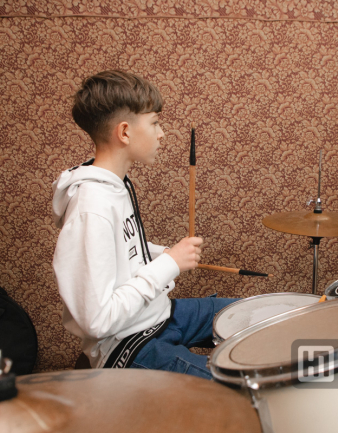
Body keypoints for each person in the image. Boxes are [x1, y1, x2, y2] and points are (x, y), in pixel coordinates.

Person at [52, 70, 237, 379]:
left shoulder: (116, 185)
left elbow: (118, 251)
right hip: (128, 345)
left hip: (157, 315)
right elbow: (98, 320)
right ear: (125, 132)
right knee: (236, 390)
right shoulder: (92, 208)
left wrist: (159, 253)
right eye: (154, 123)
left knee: (255, 315)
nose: (161, 133)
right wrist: (169, 264)